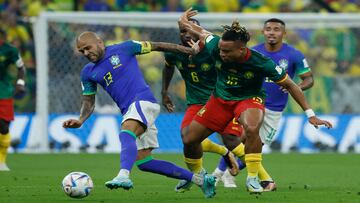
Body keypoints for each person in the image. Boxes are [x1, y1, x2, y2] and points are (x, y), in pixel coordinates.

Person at [178, 8, 332, 194]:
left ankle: (252, 178)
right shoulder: (215, 45)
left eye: (227, 51)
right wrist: (183, 19)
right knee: (189, 139)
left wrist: (311, 114)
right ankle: (199, 177)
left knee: (251, 128)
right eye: (221, 50)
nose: (222, 54)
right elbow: (195, 30)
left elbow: (292, 85)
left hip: (248, 99)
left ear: (242, 49)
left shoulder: (262, 62)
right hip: (220, 99)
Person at [62, 31, 216, 198]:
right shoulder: (87, 72)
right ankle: (200, 180)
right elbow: (88, 102)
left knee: (126, 132)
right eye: (81, 51)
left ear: (99, 42)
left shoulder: (125, 48)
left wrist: (188, 51)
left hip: (143, 101)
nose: (85, 53)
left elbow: (158, 45)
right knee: (144, 162)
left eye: (87, 48)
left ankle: (123, 175)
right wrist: (81, 120)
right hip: (130, 109)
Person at [214, 18, 315, 190]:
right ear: (263, 32)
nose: (272, 32)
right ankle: (222, 175)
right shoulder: (252, 53)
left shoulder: (294, 54)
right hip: (250, 103)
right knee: (239, 140)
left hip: (274, 110)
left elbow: (309, 79)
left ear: (284, 33)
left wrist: (297, 86)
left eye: (276, 29)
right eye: (268, 29)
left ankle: (224, 173)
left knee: (256, 145)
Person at [162, 18, 242, 191]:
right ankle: (200, 174)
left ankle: (262, 178)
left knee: (232, 140)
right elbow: (168, 67)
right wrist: (164, 92)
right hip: (196, 103)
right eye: (183, 30)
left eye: (190, 29)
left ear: (198, 31)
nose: (186, 34)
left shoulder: (214, 51)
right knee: (187, 139)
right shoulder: (174, 51)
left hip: (220, 102)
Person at [0, 28, 26, 171]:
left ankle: (1, 161)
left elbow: (21, 68)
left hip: (3, 90)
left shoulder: (9, 50)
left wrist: (20, 83)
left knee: (3, 126)